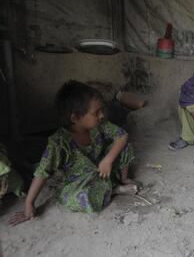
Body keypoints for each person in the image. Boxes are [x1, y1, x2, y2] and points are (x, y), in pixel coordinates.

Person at [9, 80, 138, 226]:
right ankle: (114, 190)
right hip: (83, 180)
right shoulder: (58, 143)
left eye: (101, 110)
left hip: (104, 170)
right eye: (96, 112)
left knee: (123, 145)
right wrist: (29, 203)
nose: (102, 115)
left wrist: (108, 159)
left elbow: (122, 135)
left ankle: (123, 179)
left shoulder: (99, 125)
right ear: (75, 118)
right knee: (79, 198)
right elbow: (42, 172)